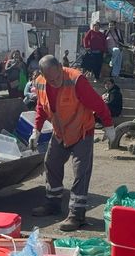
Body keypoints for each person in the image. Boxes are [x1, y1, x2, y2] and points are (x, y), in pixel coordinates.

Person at [30, 55, 115, 231]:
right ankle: (53, 203)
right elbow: (41, 107)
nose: (54, 82)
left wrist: (108, 125)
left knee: (80, 171)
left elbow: (97, 103)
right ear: (43, 75)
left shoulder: (76, 80)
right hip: (60, 132)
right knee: (51, 162)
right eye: (50, 79)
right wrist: (36, 130)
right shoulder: (39, 83)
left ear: (61, 67)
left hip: (82, 131)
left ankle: (77, 215)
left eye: (57, 77)